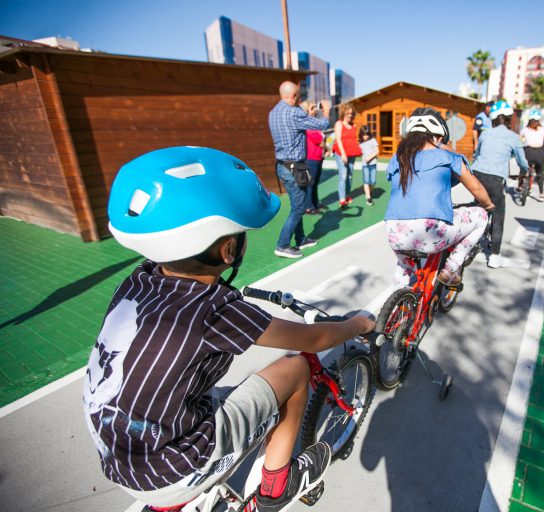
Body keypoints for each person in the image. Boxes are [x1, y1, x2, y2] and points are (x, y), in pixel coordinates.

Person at [84, 146, 375, 512]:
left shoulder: (138, 281)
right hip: (169, 471)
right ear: (228, 249)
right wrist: (357, 323)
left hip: (115, 451)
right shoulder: (216, 309)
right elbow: (317, 338)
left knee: (223, 392)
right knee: (297, 369)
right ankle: (277, 485)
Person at [384, 108, 494, 288]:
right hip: (432, 232)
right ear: (439, 137)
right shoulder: (447, 155)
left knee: (403, 264)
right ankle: (450, 268)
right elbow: (476, 188)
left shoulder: (397, 158)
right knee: (480, 216)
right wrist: (489, 205)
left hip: (394, 231)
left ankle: (396, 306)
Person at [268, 81, 329, 259]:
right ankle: (283, 244)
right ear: (293, 96)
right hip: (295, 167)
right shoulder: (294, 112)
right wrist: (325, 110)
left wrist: (306, 114)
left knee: (298, 204)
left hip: (282, 165)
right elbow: (322, 125)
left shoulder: (273, 113)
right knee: (299, 208)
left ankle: (301, 238)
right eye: (298, 96)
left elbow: (296, 126)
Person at [472, 100, 529, 269]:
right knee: (498, 214)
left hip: (477, 175)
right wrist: (523, 172)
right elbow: (522, 162)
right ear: (510, 118)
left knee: (477, 207)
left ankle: (468, 243)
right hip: (496, 179)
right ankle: (495, 256)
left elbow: (478, 154)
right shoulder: (513, 137)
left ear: (493, 119)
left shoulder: (485, 133)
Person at [332, 103, 363, 207]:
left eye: (351, 113)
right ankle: (342, 198)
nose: (350, 115)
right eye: (348, 113)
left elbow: (354, 140)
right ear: (343, 113)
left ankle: (347, 194)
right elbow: (339, 140)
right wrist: (343, 154)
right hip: (341, 154)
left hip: (351, 154)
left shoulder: (353, 126)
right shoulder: (339, 124)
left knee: (349, 176)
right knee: (343, 175)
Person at [299, 101, 326, 215]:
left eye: (315, 108)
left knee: (315, 182)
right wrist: (328, 148)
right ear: (306, 111)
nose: (315, 110)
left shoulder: (313, 123)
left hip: (318, 157)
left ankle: (315, 203)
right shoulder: (307, 125)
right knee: (310, 183)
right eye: (312, 108)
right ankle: (308, 207)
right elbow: (319, 140)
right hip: (311, 158)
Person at [519, 112, 544, 201]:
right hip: (539, 152)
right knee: (540, 173)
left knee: (523, 169)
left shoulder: (525, 129)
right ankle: (541, 194)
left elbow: (519, 140)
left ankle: (520, 186)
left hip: (528, 152)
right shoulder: (542, 129)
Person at [359, 126, 379, 205]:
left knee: (373, 181)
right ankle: (368, 197)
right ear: (361, 135)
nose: (366, 136)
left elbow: (377, 151)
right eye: (364, 135)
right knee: (366, 180)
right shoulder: (360, 143)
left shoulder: (373, 140)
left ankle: (369, 192)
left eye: (367, 134)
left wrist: (369, 158)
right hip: (365, 165)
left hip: (373, 163)